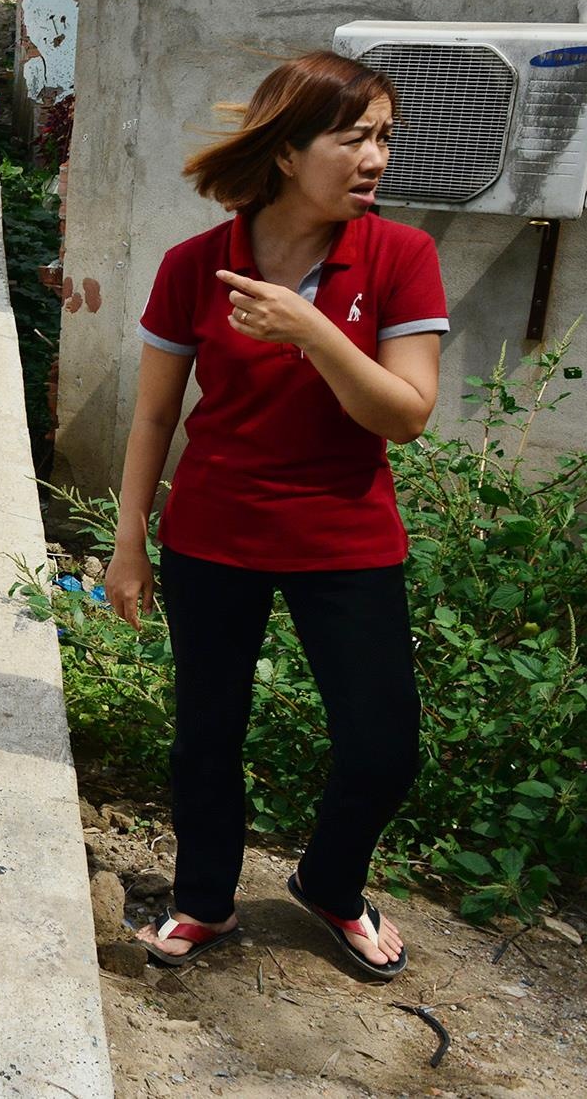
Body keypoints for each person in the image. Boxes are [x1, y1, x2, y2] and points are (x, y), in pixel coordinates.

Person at [107, 50, 448, 980]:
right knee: (208, 734)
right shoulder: (196, 265)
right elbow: (153, 414)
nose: (376, 157)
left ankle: (331, 884)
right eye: (354, 137)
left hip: (346, 535)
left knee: (384, 745)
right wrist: (129, 540)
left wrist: (315, 333)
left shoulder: (402, 257)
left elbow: (405, 415)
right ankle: (205, 902)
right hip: (215, 536)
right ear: (289, 151)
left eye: (385, 136)